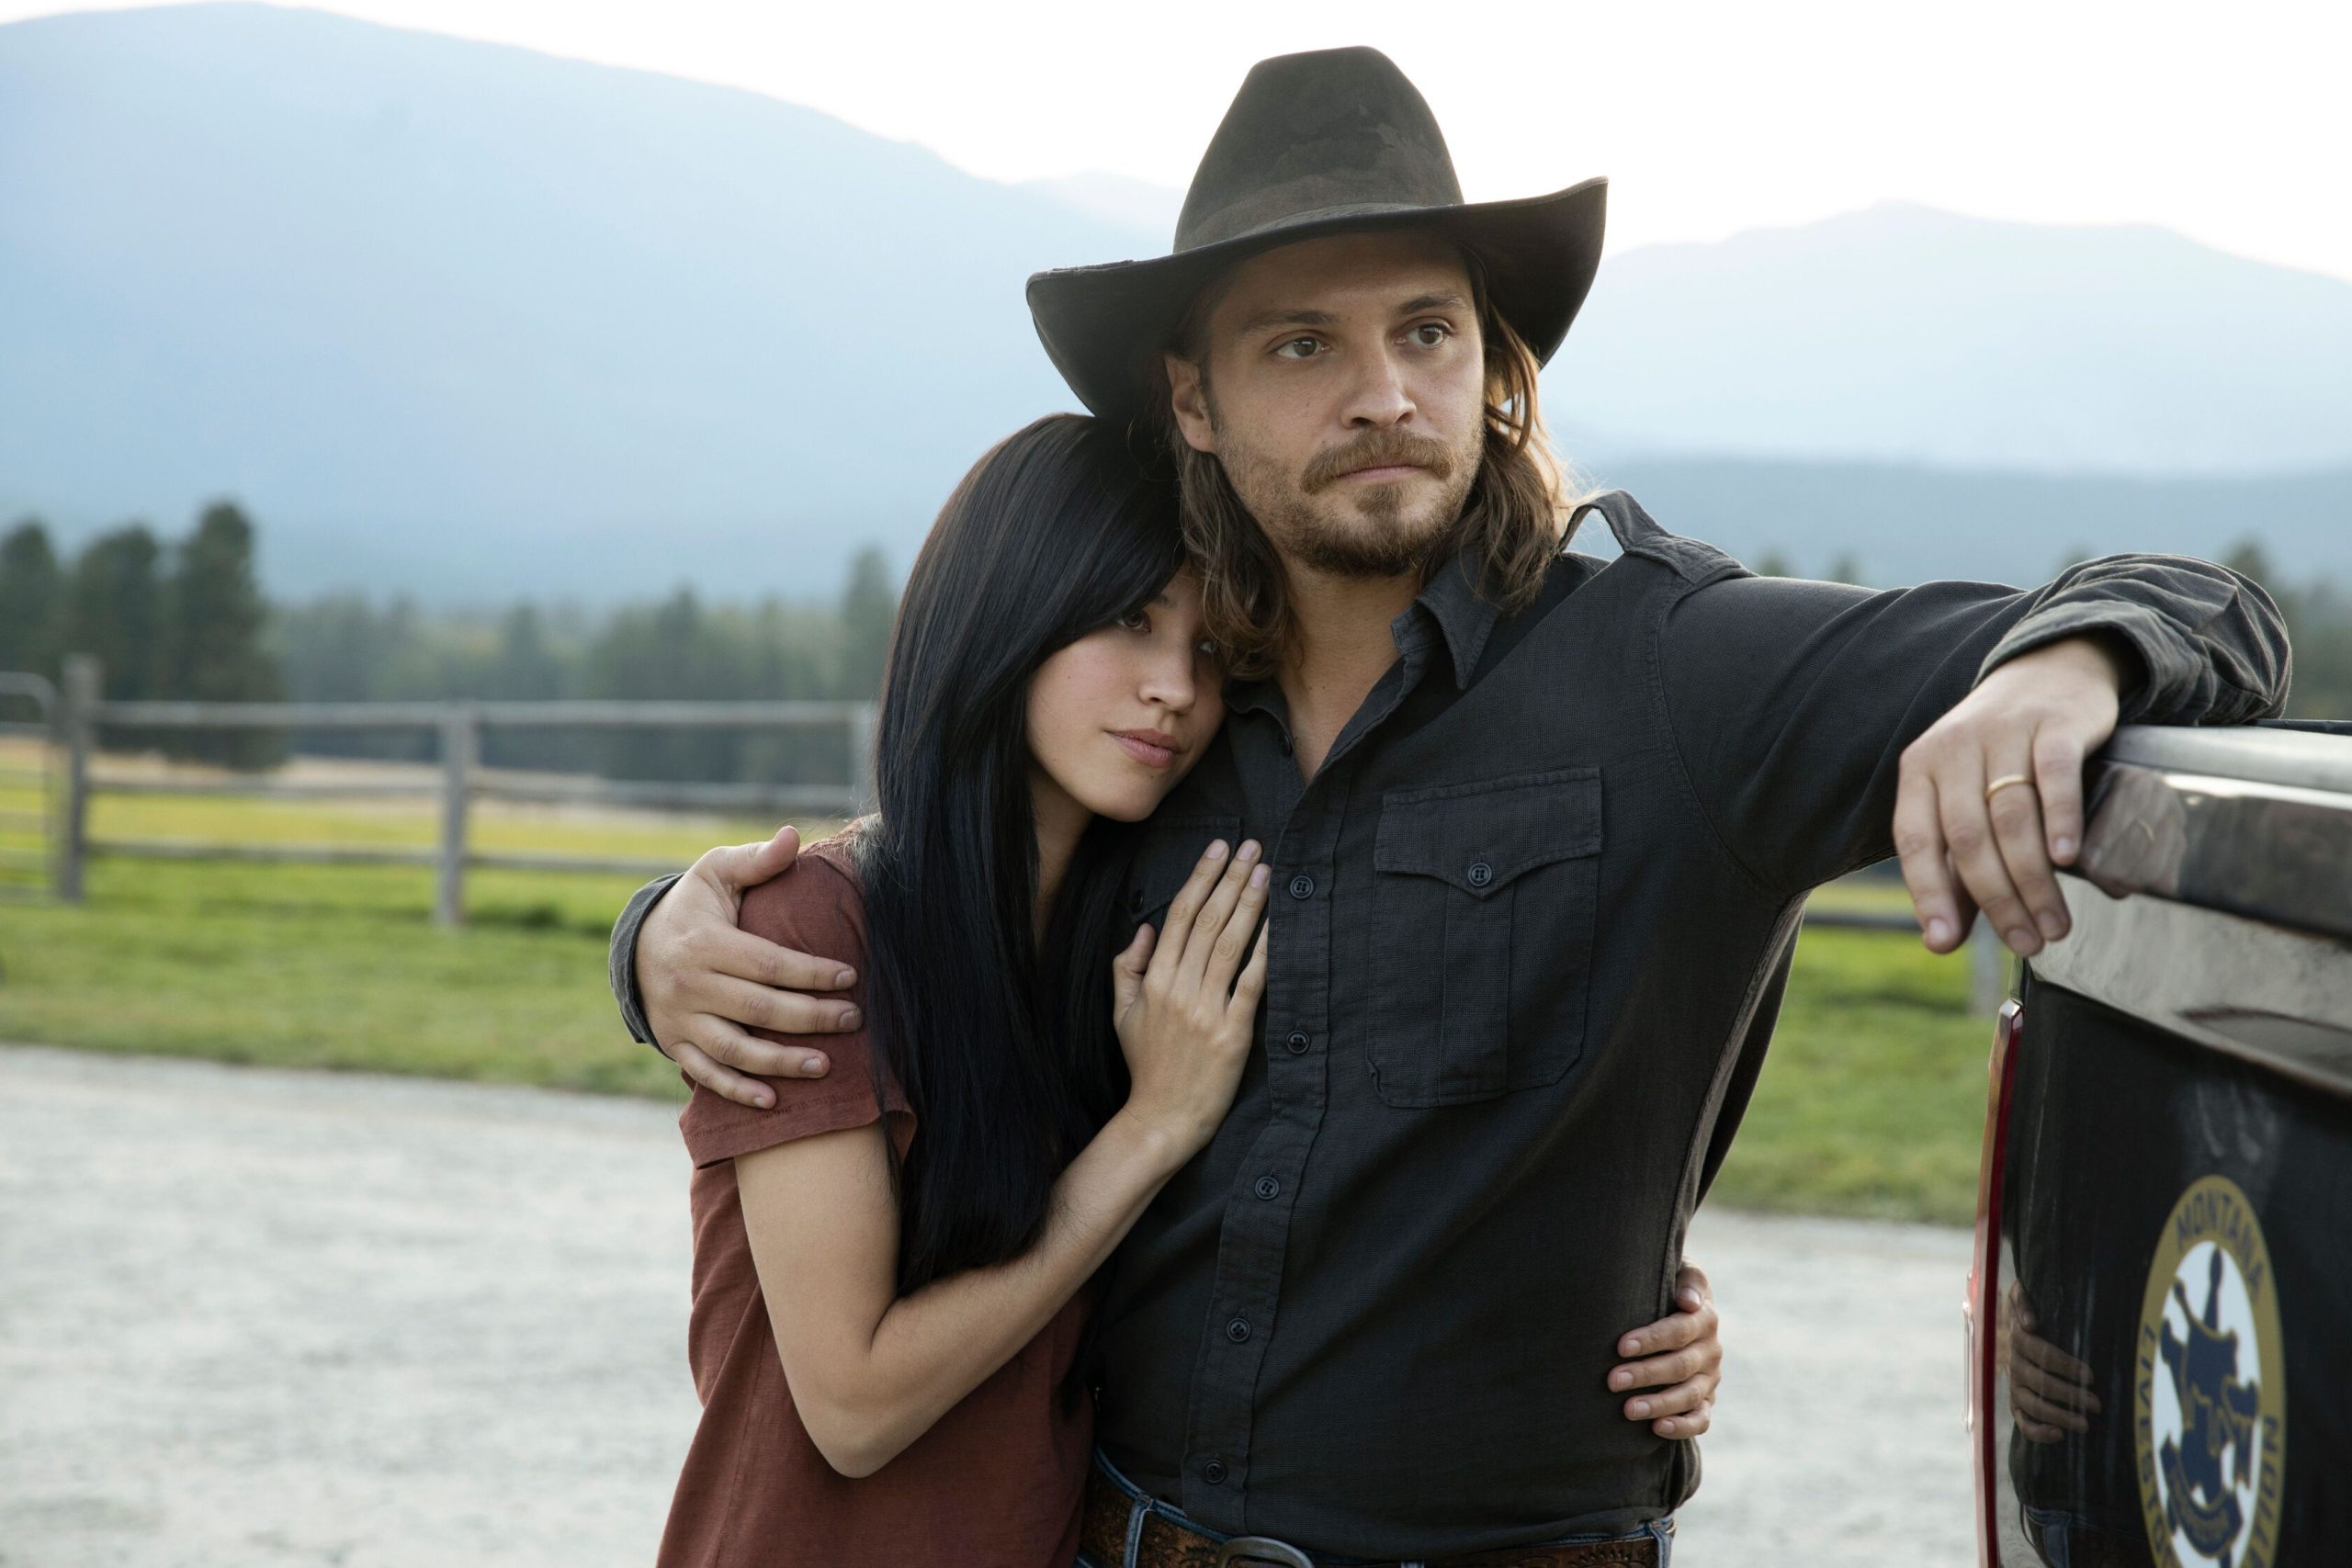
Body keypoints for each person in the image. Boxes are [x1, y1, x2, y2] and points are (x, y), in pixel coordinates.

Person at [621, 49, 2290, 1568]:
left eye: (1427, 331)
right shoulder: (1165, 729)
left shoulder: (1675, 668)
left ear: (1491, 366)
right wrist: (661, 937)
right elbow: (931, 908)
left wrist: (2050, 673)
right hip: (1124, 1541)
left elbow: (2199, 602)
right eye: (1301, 344)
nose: (1382, 392)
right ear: (1192, 402)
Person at [654, 413, 1723, 1568]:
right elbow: (853, 1406)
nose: (1173, 688)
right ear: (1001, 614)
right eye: (1128, 621)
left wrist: (1636, 1311)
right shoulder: (814, 933)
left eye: (1212, 649)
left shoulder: (1142, 944)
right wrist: (1153, 1126)